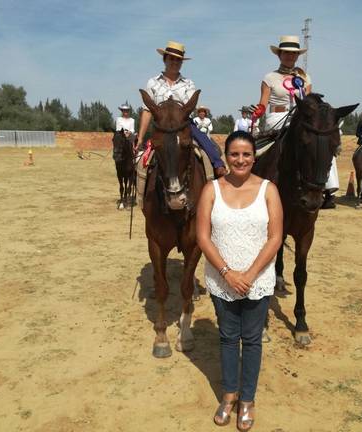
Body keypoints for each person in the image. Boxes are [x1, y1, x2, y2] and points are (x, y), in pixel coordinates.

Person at [196, 131, 283, 431]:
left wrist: (249, 275)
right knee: (228, 337)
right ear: (226, 156)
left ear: (254, 157)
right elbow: (203, 237)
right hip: (222, 281)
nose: (240, 159)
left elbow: (275, 238)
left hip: (257, 280)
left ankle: (247, 399)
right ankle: (229, 394)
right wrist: (227, 273)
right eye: (234, 154)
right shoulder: (211, 190)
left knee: (253, 339)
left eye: (246, 154)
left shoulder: (269, 190)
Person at [136, 41, 226, 177]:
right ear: (165, 59)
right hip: (161, 127)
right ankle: (140, 191)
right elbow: (147, 111)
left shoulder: (188, 83)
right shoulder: (152, 82)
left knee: (203, 141)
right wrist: (141, 138)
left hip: (183, 125)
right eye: (171, 58)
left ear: (182, 62)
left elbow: (189, 107)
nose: (174, 62)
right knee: (141, 164)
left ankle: (218, 165)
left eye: (178, 60)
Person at [251, 36, 312, 133]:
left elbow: (308, 103)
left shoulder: (305, 78)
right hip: (276, 118)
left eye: (294, 53)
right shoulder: (269, 78)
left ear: (297, 56)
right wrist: (256, 112)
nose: (290, 55)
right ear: (279, 55)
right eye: (286, 52)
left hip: (300, 117)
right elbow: (263, 105)